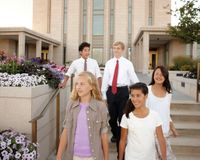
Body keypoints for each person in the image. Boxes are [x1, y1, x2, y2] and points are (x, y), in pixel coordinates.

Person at [56, 71, 109, 160]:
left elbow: (104, 134)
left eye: (82, 84)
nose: (78, 87)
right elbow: (66, 130)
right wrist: (58, 156)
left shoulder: (101, 106)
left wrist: (106, 158)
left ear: (92, 86)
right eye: (77, 84)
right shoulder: (71, 104)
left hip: (94, 156)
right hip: (73, 156)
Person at [101, 41, 139, 154]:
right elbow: (105, 79)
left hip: (123, 92)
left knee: (121, 117)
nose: (116, 50)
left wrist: (142, 88)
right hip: (111, 91)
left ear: (122, 50)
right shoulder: (109, 63)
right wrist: (103, 95)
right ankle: (116, 133)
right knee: (112, 118)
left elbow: (133, 77)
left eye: (118, 48)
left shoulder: (128, 63)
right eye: (114, 48)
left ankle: (119, 142)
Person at [119, 82, 166, 160]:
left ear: (146, 96)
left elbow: (161, 139)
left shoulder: (155, 116)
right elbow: (122, 141)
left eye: (138, 95)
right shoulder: (126, 117)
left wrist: (164, 158)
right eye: (132, 96)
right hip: (131, 157)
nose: (134, 99)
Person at [146, 65, 178, 160]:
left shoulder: (169, 93)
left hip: (164, 131)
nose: (159, 76)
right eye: (157, 74)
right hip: (150, 132)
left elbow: (167, 113)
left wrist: (173, 128)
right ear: (153, 75)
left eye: (162, 74)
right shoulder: (147, 90)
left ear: (166, 77)